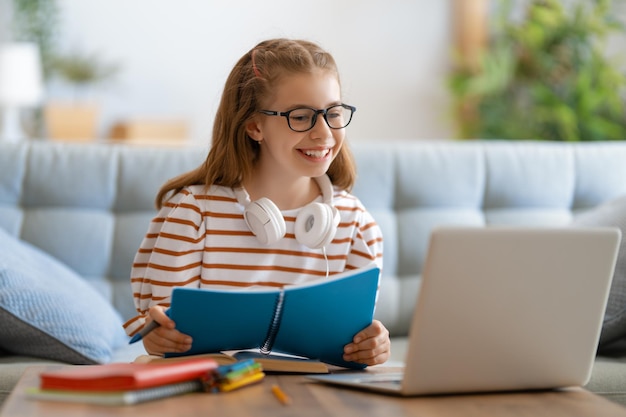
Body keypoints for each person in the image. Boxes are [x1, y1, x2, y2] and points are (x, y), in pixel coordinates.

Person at [123, 38, 389, 366]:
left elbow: (354, 340)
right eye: (302, 116)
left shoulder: (356, 225)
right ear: (254, 126)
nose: (324, 133)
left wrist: (372, 345)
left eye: (333, 113)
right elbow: (157, 326)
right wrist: (157, 335)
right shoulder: (193, 213)